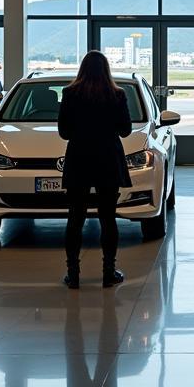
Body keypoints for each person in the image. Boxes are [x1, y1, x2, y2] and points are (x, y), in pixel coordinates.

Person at [58, 50, 132, 289]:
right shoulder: (117, 95)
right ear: (107, 69)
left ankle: (73, 274)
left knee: (75, 218)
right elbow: (125, 130)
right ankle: (108, 273)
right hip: (108, 159)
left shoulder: (70, 94)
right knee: (108, 218)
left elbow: (64, 132)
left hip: (79, 158)